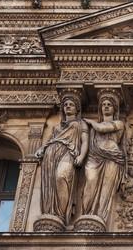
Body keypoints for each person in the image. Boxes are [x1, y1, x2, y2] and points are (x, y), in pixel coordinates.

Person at [36, 93, 89, 226]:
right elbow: (49, 140)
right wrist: (41, 149)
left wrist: (82, 156)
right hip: (51, 153)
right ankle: (51, 213)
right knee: (51, 184)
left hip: (69, 153)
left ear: (77, 108)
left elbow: (85, 142)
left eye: (71, 105)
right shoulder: (57, 127)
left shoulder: (81, 124)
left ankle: (60, 214)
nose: (68, 107)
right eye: (65, 105)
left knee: (62, 177)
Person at [81, 91, 126, 223]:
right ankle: (86, 214)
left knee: (106, 190)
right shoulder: (93, 126)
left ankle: (100, 218)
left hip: (112, 158)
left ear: (114, 109)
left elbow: (102, 128)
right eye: (103, 105)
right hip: (94, 156)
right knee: (90, 184)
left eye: (109, 105)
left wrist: (89, 121)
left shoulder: (119, 123)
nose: (106, 106)